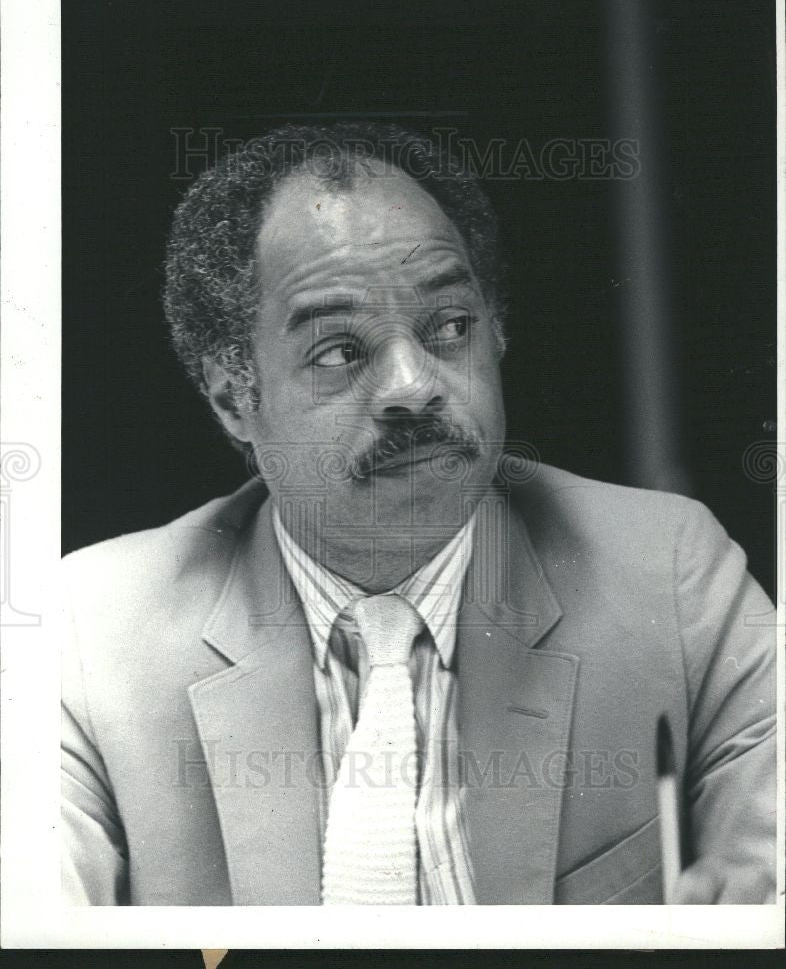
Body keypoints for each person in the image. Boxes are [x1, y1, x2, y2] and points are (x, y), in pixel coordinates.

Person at [61, 122, 776, 906]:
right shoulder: (94, 639)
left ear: (496, 329)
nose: (413, 383)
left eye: (449, 328)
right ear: (234, 395)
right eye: (340, 351)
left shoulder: (671, 579)